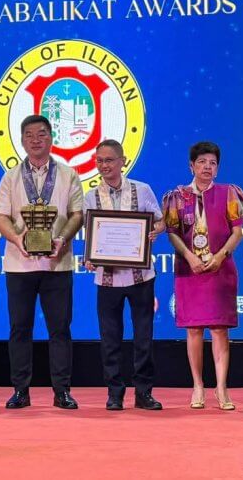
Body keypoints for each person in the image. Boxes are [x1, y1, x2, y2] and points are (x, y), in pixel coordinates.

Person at [0, 115, 85, 410]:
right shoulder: (10, 177)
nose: (36, 140)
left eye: (42, 134)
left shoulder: (68, 174)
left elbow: (77, 214)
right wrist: (16, 239)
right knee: (20, 329)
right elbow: (1, 216)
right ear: (22, 141)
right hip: (19, 265)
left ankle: (62, 391)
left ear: (51, 138)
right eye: (30, 135)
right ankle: (20, 390)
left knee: (60, 329)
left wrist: (62, 239)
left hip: (57, 264)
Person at [162, 141, 243, 410]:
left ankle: (221, 388)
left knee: (220, 330)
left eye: (212, 163)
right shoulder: (177, 197)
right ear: (191, 166)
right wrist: (189, 257)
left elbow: (238, 232)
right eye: (201, 162)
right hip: (189, 270)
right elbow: (172, 233)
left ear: (217, 168)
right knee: (194, 329)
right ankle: (198, 386)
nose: (207, 167)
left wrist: (220, 256)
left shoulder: (229, 193)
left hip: (220, 269)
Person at [83, 140, 165, 411]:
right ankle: (114, 393)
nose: (104, 165)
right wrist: (89, 256)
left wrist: (155, 231)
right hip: (107, 280)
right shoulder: (90, 196)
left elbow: (160, 220)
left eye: (109, 160)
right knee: (110, 338)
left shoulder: (142, 190)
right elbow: (91, 234)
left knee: (143, 337)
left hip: (141, 277)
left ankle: (144, 393)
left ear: (123, 161)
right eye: (99, 161)